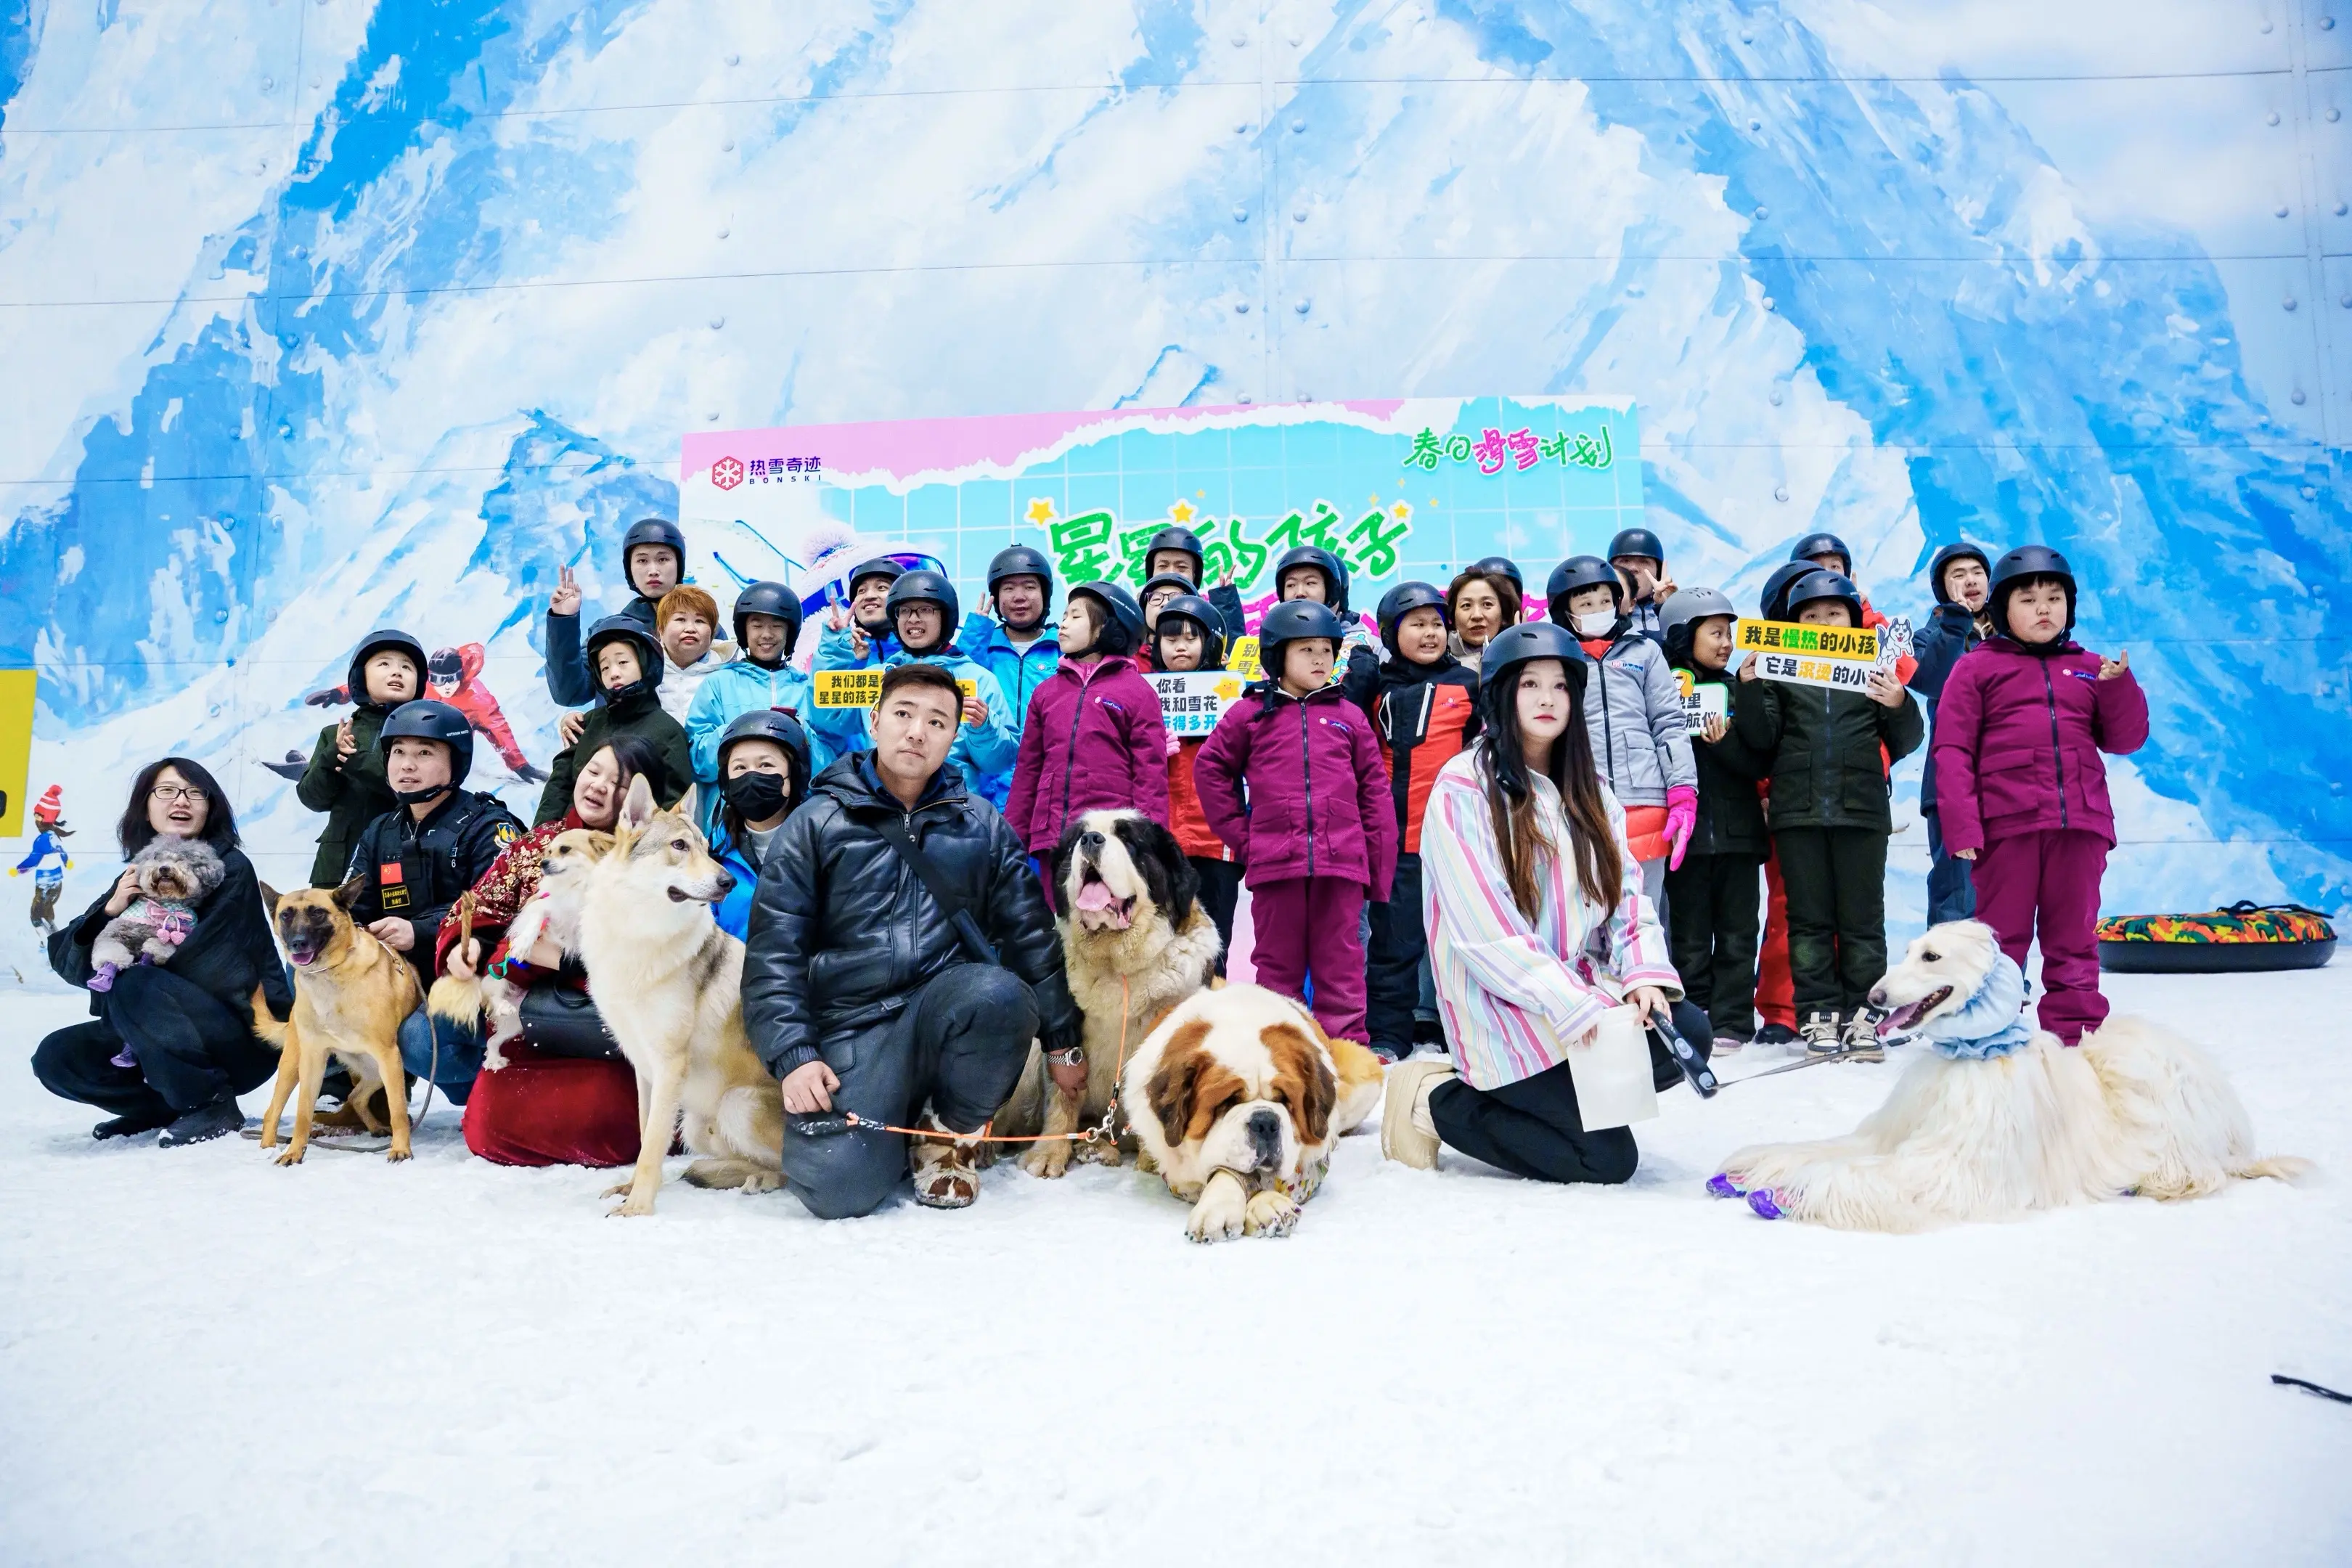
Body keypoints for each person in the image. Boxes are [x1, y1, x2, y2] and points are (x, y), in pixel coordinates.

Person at [741, 661, 1084, 1216]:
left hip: (945, 1011)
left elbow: (1030, 936)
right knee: (837, 1189)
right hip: (850, 1030)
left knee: (999, 996)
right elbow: (774, 953)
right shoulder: (815, 823)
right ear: (874, 721)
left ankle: (946, 1130)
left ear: (954, 735)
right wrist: (794, 1055)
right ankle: (890, 1124)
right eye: (903, 714)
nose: (917, 731)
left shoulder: (981, 824)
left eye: (937, 722)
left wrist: (1063, 1044)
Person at [1382, 623, 1712, 1182]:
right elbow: (1487, 932)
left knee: (1687, 1031)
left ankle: (1565, 1106)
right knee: (1607, 1160)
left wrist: (1641, 977)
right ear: (1502, 695)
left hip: (1578, 1002)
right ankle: (1437, 1102)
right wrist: (1571, 1003)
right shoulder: (1464, 787)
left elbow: (1627, 898)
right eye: (1529, 684)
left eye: (1560, 686)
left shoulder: (1593, 790)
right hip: (1504, 1011)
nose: (1545, 699)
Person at [1932, 546, 2147, 1044]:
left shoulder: (2092, 667)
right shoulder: (1977, 668)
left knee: (2074, 941)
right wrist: (1962, 826)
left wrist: (2117, 687)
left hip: (2080, 828)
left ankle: (2077, 1040)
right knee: (2000, 943)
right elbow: (1953, 749)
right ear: (2003, 609)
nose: (2044, 608)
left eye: (2054, 598)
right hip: (2007, 829)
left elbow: (2125, 739)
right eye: (2028, 600)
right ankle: (1991, 1037)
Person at [32, 759, 293, 1146]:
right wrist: (111, 911)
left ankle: (210, 1103)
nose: (181, 801)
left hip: (237, 1038)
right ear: (146, 806)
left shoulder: (232, 867)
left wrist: (123, 973)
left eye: (194, 792)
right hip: (153, 1032)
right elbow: (68, 961)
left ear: (210, 806)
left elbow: (210, 963)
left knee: (135, 981)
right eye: (167, 791)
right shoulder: (141, 871)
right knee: (57, 1057)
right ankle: (161, 1107)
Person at [426, 737, 662, 1161]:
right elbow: (477, 909)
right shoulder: (537, 845)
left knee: (609, 1124)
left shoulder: (646, 862)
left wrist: (563, 959)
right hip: (530, 1029)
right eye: (594, 771)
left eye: (619, 782)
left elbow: (656, 958)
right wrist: (469, 951)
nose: (600, 786)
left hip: (610, 1037)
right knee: (487, 1127)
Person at [1734, 570, 1924, 1058]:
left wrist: (1899, 703)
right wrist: (1749, 688)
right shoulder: (1779, 670)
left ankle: (1866, 1015)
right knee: (1808, 921)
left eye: (1834, 614)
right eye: (1811, 616)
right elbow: (1761, 741)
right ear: (1795, 624)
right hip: (1797, 815)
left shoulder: (1876, 669)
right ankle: (1817, 1011)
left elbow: (1906, 741)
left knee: (1863, 921)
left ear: (1853, 620)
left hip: (1862, 812)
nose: (1823, 623)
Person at [1194, 600, 1397, 1047]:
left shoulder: (1350, 717)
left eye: (1327, 649)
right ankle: (1279, 1063)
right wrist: (1244, 838)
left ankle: (1347, 1066)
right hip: (1275, 867)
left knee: (1341, 972)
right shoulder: (1250, 715)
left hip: (1341, 868)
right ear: (1277, 657)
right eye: (1306, 650)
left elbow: (1376, 797)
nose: (1320, 659)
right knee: (1277, 972)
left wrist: (1377, 873)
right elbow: (1210, 769)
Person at [338, 701, 523, 1093]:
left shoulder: (489, 826)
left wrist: (418, 931)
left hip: (466, 979)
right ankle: (356, 1094)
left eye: (424, 753)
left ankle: (491, 1084)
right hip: (401, 976)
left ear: (456, 762)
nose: (406, 764)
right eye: (398, 752)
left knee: (421, 1042)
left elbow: (499, 913)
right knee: (312, 962)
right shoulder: (381, 830)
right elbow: (353, 906)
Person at [1349, 581, 1481, 1063]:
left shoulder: (1470, 684)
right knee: (1393, 943)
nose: (1430, 633)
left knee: (1461, 940)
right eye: (1417, 624)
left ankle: (1461, 1030)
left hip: (1456, 839)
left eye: (1437, 625)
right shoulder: (1377, 685)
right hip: (1395, 839)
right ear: (1389, 632)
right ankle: (1388, 1034)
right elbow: (1348, 737)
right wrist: (1359, 680)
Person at [1544, 555, 1696, 909]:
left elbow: (1669, 724)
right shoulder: (1556, 661)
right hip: (1580, 802)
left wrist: (1683, 791)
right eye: (1585, 604)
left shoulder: (1645, 651)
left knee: (1644, 915)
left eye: (1605, 602)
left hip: (1646, 799)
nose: (1598, 609)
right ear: (1563, 611)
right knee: (1586, 916)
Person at [1659, 588, 1771, 1051]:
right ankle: (1695, 1016)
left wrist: (1726, 737)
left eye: (1729, 633)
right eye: (1716, 633)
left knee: (1738, 933)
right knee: (1686, 934)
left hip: (1740, 836)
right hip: (1683, 839)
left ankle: (1734, 1021)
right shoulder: (1660, 691)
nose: (1727, 643)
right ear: (1685, 637)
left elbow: (1761, 756)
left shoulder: (1735, 686)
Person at [811, 568, 1019, 807]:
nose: (913, 619)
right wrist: (833, 647)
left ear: (945, 617)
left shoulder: (977, 679)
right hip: (881, 809)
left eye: (925, 610)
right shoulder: (877, 676)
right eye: (904, 611)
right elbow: (827, 717)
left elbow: (998, 762)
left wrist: (984, 728)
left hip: (952, 813)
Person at [1005, 580, 1167, 868]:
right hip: (1052, 838)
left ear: (1107, 628)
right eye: (1064, 616)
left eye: (1075, 616)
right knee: (1054, 914)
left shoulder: (1138, 693)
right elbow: (1027, 772)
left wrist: (1148, 847)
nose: (1063, 625)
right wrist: (1011, 840)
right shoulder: (1046, 692)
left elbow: (1150, 778)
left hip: (1112, 842)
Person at [1148, 592, 1241, 967]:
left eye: (1191, 638)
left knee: (1213, 947)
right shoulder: (1143, 692)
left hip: (1216, 840)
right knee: (1160, 948)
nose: (1180, 647)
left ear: (1211, 644)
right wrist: (1150, 749)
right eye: (1170, 639)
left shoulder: (1232, 694)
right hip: (1161, 838)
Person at [293, 630, 425, 888]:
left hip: (398, 862)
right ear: (360, 676)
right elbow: (313, 799)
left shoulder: (425, 737)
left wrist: (357, 762)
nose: (397, 672)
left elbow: (411, 792)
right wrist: (332, 757)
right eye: (384, 664)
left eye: (407, 667)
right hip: (336, 867)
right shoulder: (334, 734)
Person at [534, 616, 695, 825]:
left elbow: (673, 806)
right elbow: (558, 786)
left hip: (627, 849)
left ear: (646, 664)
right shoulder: (588, 722)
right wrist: (537, 839)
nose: (614, 673)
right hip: (570, 843)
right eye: (605, 668)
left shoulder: (668, 731)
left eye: (623, 662)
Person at [1908, 542, 1994, 923]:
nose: (1970, 581)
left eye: (1977, 573)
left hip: (2009, 779)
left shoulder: (2013, 636)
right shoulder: (1927, 638)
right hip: (1951, 783)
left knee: (2008, 891)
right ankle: (1951, 984)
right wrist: (1956, 622)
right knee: (1957, 892)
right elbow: (1934, 682)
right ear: (1943, 588)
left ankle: (2005, 982)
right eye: (1958, 575)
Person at [685, 580, 828, 807]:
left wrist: (798, 733)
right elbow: (699, 761)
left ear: (790, 632)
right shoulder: (718, 683)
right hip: (731, 815)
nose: (767, 635)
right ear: (744, 630)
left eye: (777, 626)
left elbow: (827, 763)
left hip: (796, 813)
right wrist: (745, 728)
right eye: (757, 625)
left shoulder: (806, 687)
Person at [545, 516, 686, 705]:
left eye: (663, 559)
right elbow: (570, 693)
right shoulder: (609, 631)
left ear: (679, 565)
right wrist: (563, 621)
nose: (653, 570)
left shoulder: (703, 627)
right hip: (619, 734)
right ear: (629, 570)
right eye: (642, 560)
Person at [709, 709, 812, 938]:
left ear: (795, 775)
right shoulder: (714, 855)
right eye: (740, 768)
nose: (751, 777)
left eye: (766, 765)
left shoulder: (823, 849)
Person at [955, 544, 1062, 729]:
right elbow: (955, 682)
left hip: (1047, 756)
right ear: (996, 598)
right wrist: (976, 633)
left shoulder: (1064, 650)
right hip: (990, 751)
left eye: (1029, 587)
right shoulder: (982, 645)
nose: (1019, 597)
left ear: (1045, 595)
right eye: (1009, 588)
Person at [1270, 544, 1379, 690]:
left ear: (1332, 591)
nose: (1300, 592)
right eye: (1291, 585)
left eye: (1310, 583)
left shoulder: (1369, 647)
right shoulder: (1272, 644)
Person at [1137, 523, 1246, 642]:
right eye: (1163, 566)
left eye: (1182, 568)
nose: (1172, 573)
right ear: (1151, 571)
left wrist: (1226, 604)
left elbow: (1228, 654)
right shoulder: (1133, 617)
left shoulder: (1206, 618)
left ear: (1195, 576)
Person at [653, 584, 729, 724]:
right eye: (681, 620)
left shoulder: (729, 676)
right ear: (661, 630)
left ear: (712, 634)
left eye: (700, 621)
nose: (690, 629)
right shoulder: (645, 672)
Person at [814, 555, 906, 670]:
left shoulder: (924, 652)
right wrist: (835, 646)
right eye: (861, 591)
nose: (869, 596)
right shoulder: (847, 655)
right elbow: (818, 686)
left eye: (881, 587)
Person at [13, 786, 73, 934]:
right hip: (57, 880)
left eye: (38, 817)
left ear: (45, 819)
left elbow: (34, 859)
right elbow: (62, 853)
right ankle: (52, 928)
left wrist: (19, 869)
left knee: (37, 910)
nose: (36, 821)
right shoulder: (54, 837)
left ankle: (42, 932)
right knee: (48, 907)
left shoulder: (42, 840)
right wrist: (66, 862)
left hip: (44, 882)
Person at [1607, 526, 1678, 642]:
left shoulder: (1679, 612)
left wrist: (1667, 608)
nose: (1633, 568)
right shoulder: (1598, 613)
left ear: (1657, 572)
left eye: (1644, 562)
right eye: (1625, 561)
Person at [1445, 560, 1522, 662]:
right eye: (1466, 605)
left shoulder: (1522, 659)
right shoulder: (1435, 663)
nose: (1477, 615)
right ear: (1453, 616)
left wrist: (1521, 652)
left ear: (1504, 614)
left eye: (1487, 604)